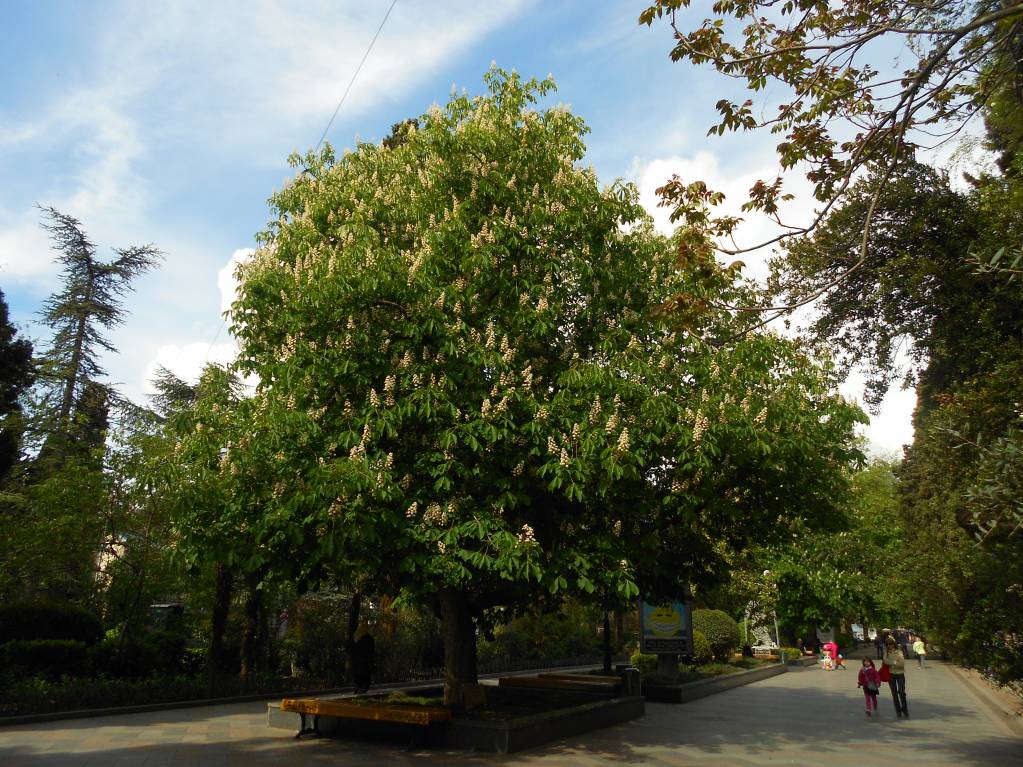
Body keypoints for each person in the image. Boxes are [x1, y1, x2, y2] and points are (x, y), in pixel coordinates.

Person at [883, 636, 909, 718]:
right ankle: (898, 711)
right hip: (891, 674)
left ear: (894, 644)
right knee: (894, 693)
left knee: (901, 692)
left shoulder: (899, 652)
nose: (889, 645)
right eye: (887, 644)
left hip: (900, 673)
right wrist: (895, 662)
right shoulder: (886, 653)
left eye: (891, 644)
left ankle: (904, 709)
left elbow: (902, 663)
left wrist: (891, 663)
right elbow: (885, 661)